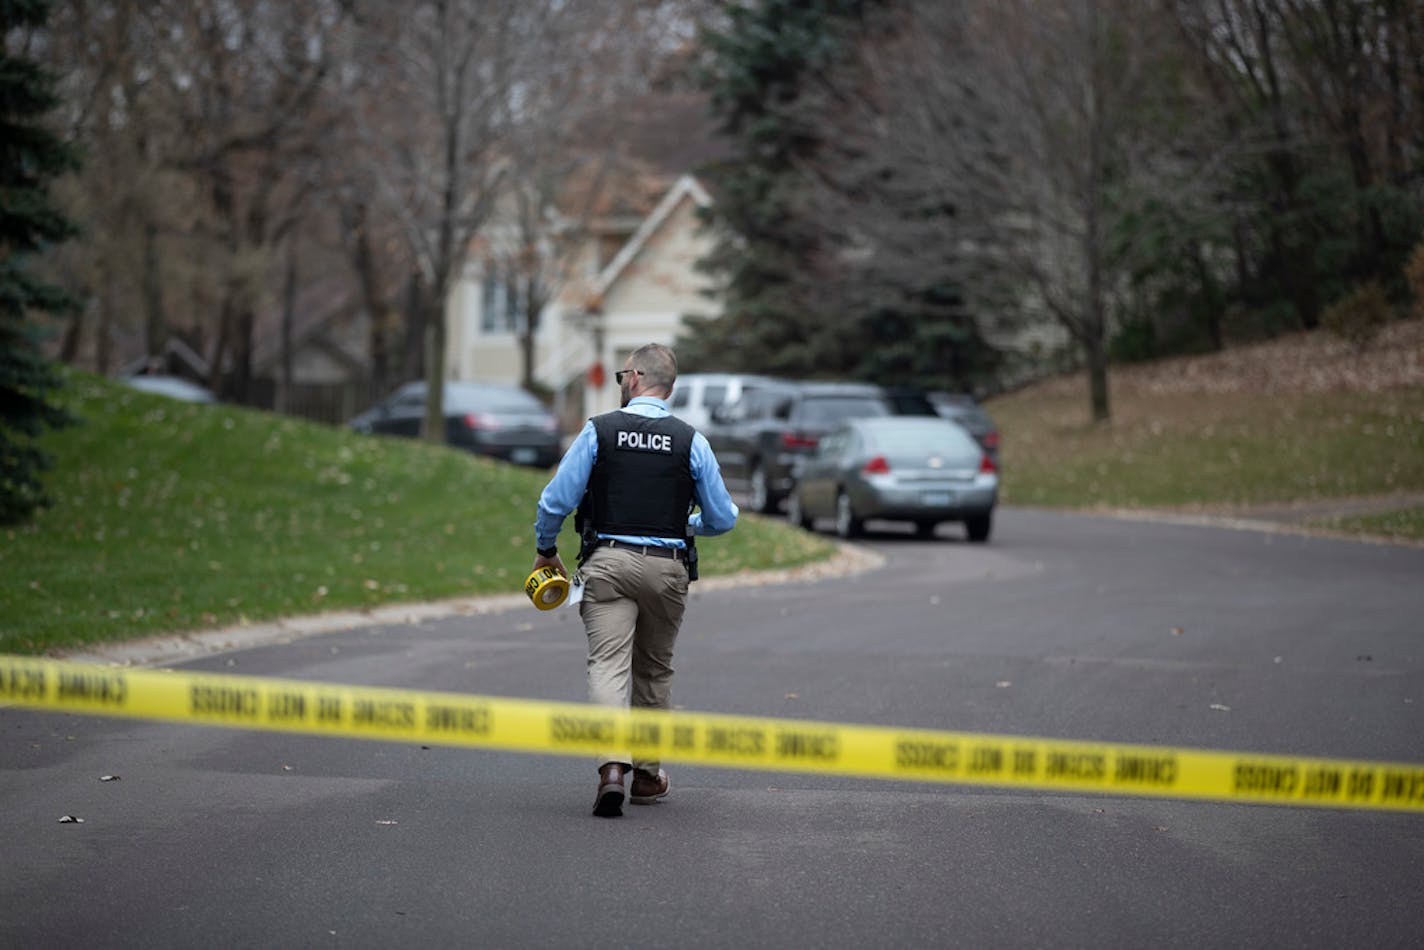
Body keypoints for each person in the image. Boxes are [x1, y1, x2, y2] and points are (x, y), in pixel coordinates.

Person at [533, 343, 739, 817]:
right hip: (667, 569)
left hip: (606, 564)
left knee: (607, 665)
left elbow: (555, 500)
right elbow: (723, 517)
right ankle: (647, 776)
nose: (621, 381)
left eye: (623, 373)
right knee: (654, 669)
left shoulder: (598, 431)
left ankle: (611, 769)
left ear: (638, 376)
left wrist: (547, 548)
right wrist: (683, 524)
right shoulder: (691, 441)